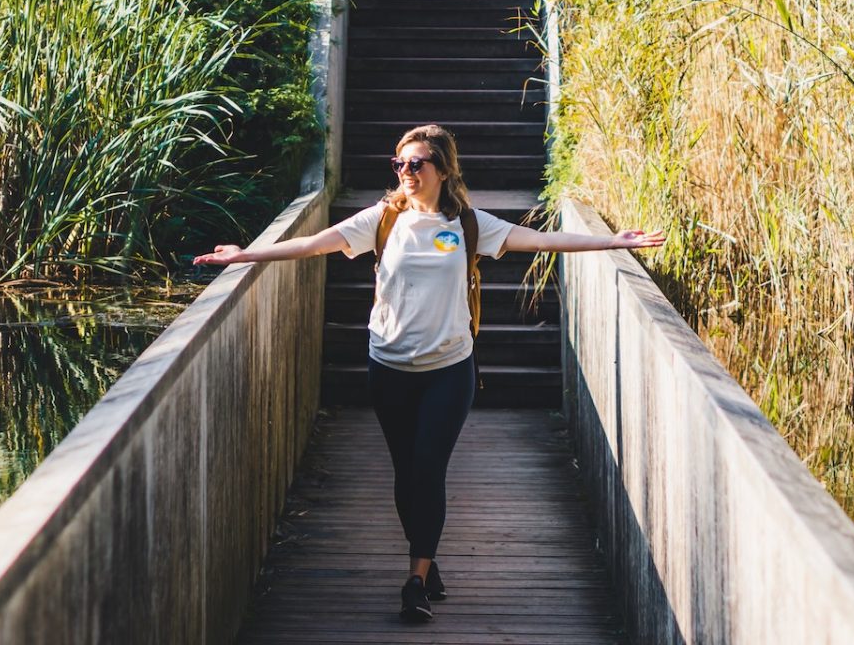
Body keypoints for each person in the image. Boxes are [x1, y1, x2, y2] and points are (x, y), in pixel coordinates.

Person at [196, 123, 665, 625]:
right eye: (399, 164)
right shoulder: (382, 220)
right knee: (405, 474)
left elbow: (539, 238)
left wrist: (611, 242)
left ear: (443, 169)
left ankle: (415, 581)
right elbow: (314, 244)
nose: (406, 173)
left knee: (428, 469)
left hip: (449, 368)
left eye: (417, 164)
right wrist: (246, 253)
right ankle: (428, 557)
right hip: (389, 366)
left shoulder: (467, 225)